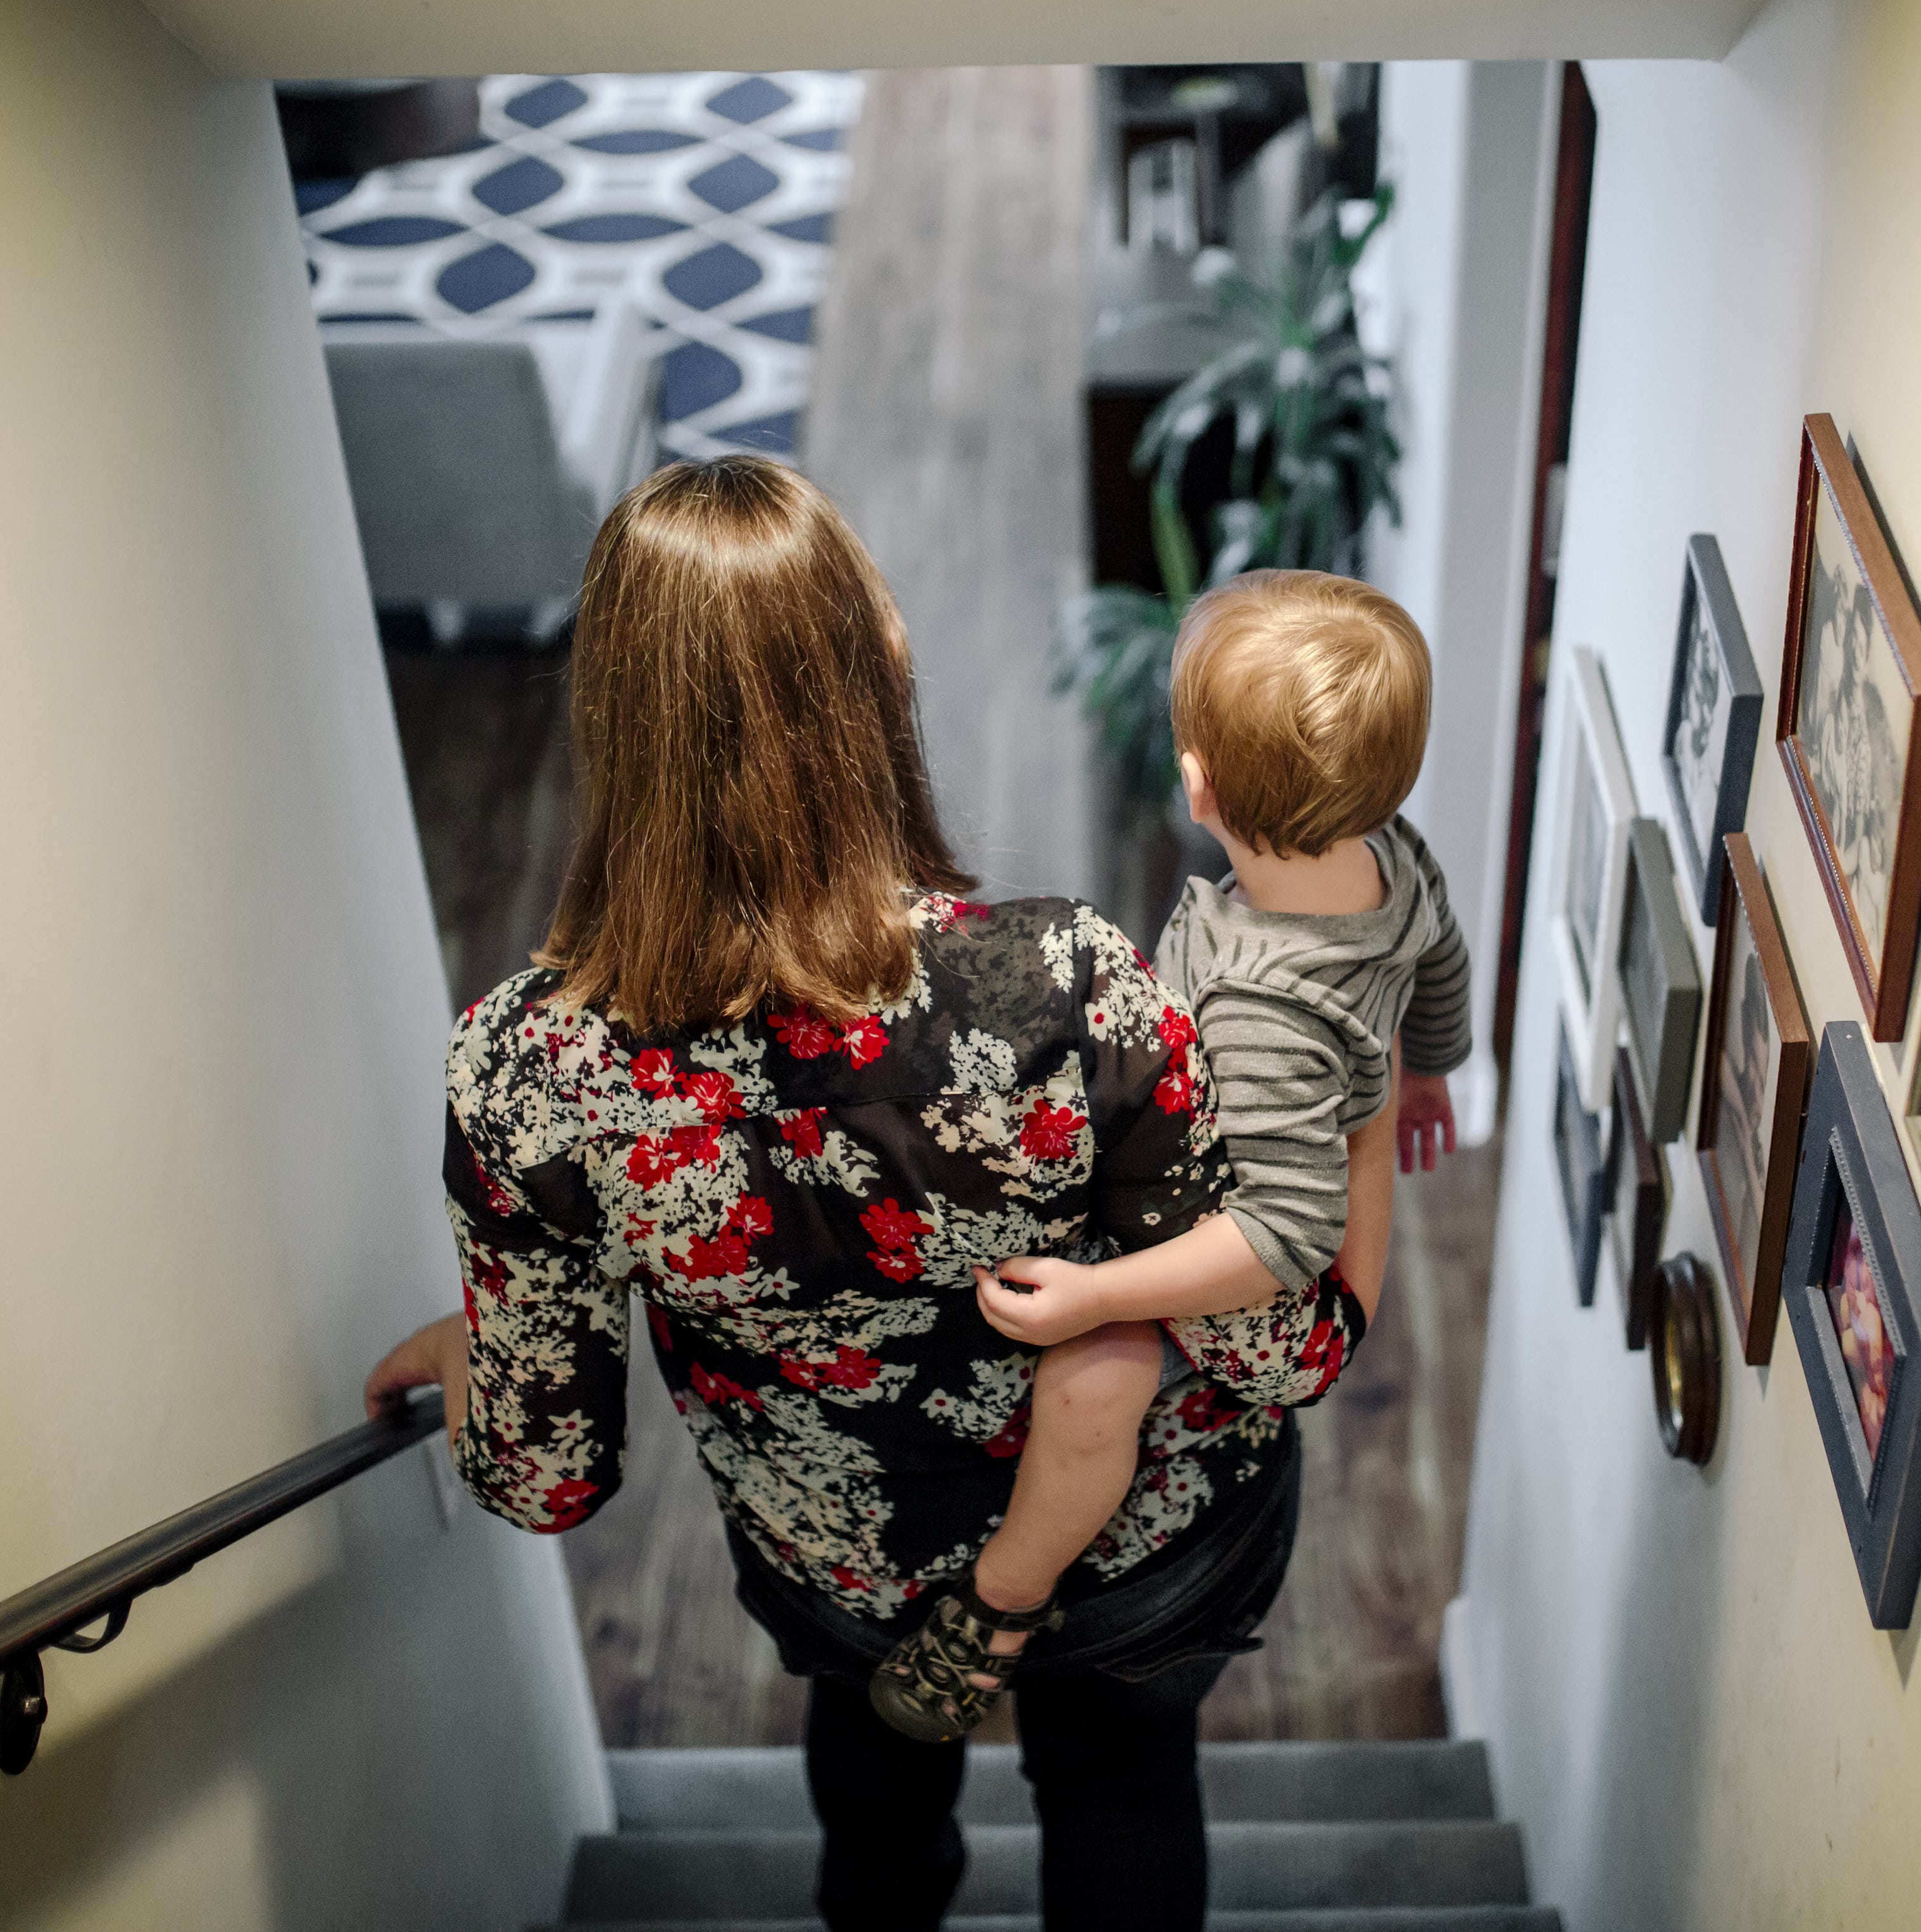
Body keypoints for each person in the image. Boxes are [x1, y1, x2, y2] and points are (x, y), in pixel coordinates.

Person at [361, 459, 1369, 1932]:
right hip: (1136, 1543)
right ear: (877, 667)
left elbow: (547, 1473)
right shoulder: (1070, 985)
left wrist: (483, 1343)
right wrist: (1352, 1110)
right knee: (1127, 1797)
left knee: (877, 1800)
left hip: (843, 1558)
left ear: (612, 721)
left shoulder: (528, 1068)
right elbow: (1270, 1349)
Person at [870, 570, 1472, 1742]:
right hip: (1283, 1188)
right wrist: (1431, 1065)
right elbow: (1437, 958)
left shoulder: (1263, 1005)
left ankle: (1003, 1605)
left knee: (1094, 1383)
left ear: (1197, 785)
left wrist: (1101, 1291)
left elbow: (1282, 1235)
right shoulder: (1392, 852)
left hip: (1278, 1305)